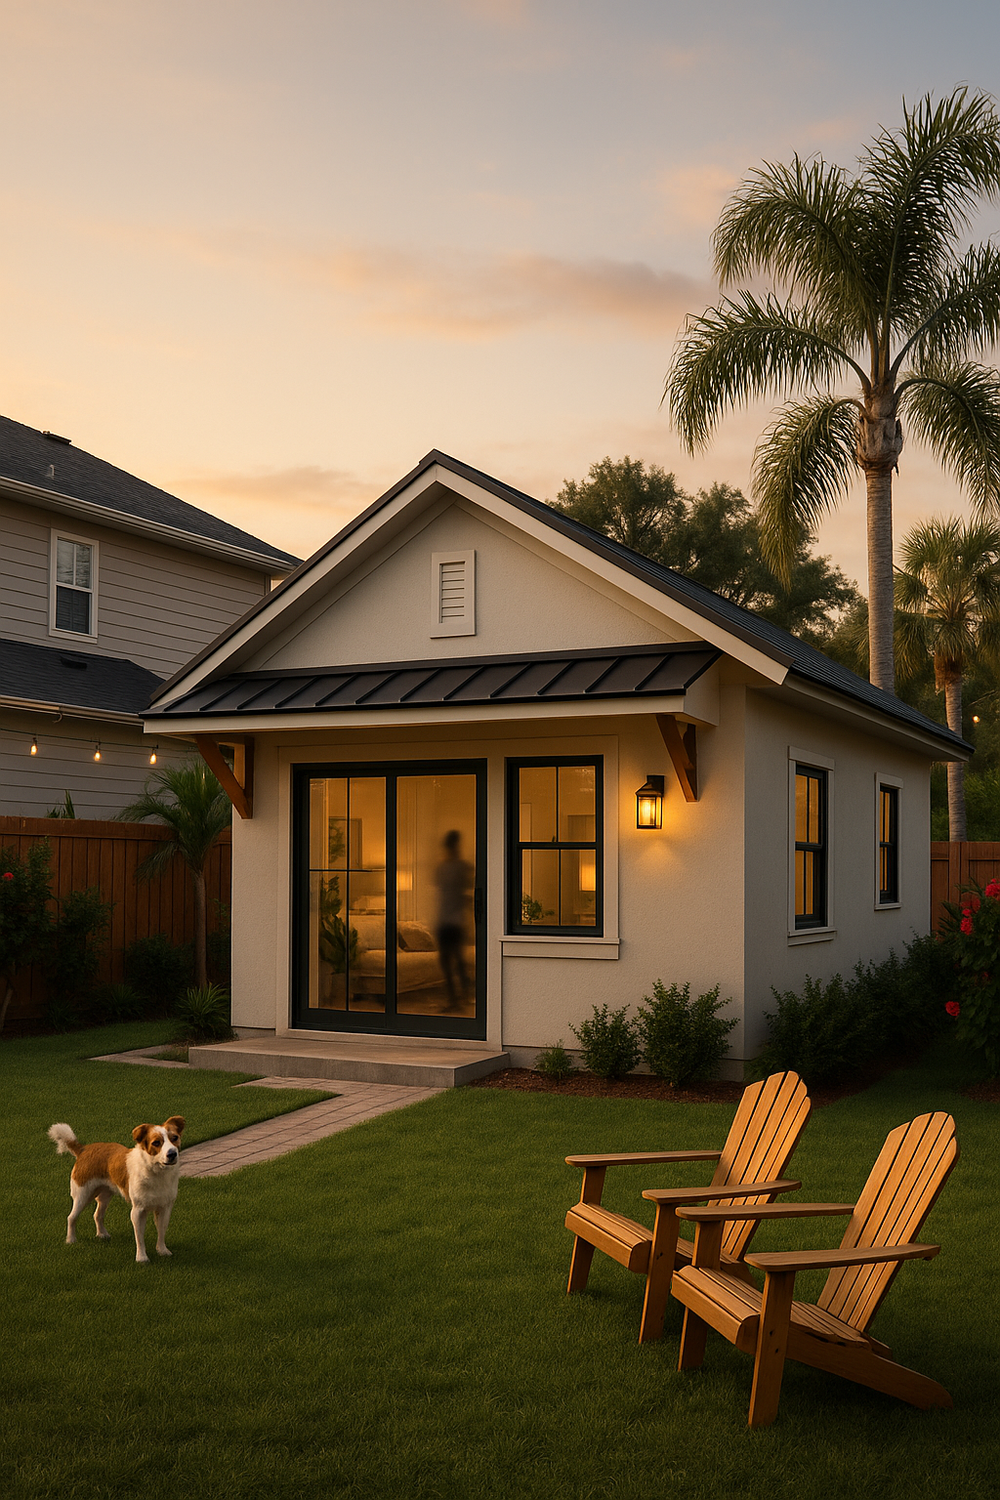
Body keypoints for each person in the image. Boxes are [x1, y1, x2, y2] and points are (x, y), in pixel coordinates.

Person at [434, 829, 473, 1011]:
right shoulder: (458, 867)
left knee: (453, 961)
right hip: (450, 920)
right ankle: (459, 998)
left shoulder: (450, 867)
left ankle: (460, 998)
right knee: (453, 961)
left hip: (450, 920)